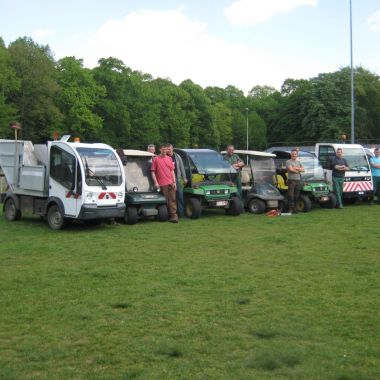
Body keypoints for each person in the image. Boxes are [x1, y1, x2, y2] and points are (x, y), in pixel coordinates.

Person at [151, 143, 178, 223]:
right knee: (164, 201)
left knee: (173, 200)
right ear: (160, 150)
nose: (164, 151)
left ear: (167, 150)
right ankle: (164, 215)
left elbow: (172, 171)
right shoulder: (156, 159)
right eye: (163, 149)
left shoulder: (169, 158)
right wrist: (156, 183)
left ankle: (173, 216)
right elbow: (153, 172)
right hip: (162, 184)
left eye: (165, 149)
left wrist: (174, 182)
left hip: (171, 183)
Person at [166, 144, 188, 217]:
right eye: (167, 149)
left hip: (176, 178)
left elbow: (182, 167)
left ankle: (181, 214)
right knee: (170, 197)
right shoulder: (164, 157)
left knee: (180, 196)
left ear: (172, 149)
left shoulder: (177, 156)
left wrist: (184, 177)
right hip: (167, 179)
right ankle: (169, 214)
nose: (168, 151)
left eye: (170, 149)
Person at [286, 149, 304, 214]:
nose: (294, 155)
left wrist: (296, 168)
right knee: (291, 195)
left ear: (297, 155)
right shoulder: (288, 162)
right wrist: (298, 170)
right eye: (293, 154)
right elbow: (291, 170)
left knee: (297, 196)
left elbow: (303, 169)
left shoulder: (299, 162)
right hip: (291, 181)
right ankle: (290, 209)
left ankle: (295, 209)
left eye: (295, 154)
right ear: (291, 154)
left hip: (298, 180)